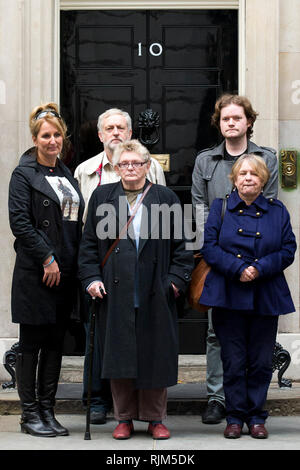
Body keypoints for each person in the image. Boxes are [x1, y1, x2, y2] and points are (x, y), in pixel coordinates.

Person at [78, 139, 193, 440]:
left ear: (147, 166)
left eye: (137, 163)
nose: (131, 168)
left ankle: (155, 418)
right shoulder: (103, 196)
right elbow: (89, 245)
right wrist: (91, 279)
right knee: (121, 355)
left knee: (155, 354)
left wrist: (174, 282)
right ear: (116, 168)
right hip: (115, 292)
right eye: (124, 163)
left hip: (155, 290)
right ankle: (124, 418)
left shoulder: (165, 197)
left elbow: (181, 248)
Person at [74, 108, 166, 425]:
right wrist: (89, 275)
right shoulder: (87, 175)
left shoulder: (156, 181)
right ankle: (101, 403)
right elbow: (83, 233)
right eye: (109, 128)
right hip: (106, 275)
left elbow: (172, 237)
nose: (116, 133)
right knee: (105, 344)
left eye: (121, 128)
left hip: (148, 279)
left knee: (146, 346)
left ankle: (148, 416)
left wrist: (171, 281)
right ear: (100, 135)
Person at [191, 94, 279, 424]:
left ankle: (250, 403)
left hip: (256, 263)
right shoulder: (205, 161)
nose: (231, 123)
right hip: (218, 261)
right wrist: (215, 254)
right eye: (225, 118)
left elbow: (266, 210)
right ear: (219, 123)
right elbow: (199, 209)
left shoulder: (266, 158)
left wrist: (249, 263)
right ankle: (218, 396)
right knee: (217, 332)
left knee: (256, 334)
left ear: (248, 122)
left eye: (237, 118)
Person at [199, 153, 296, 438]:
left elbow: (288, 249)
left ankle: (256, 417)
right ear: (235, 179)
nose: (248, 178)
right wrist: (239, 268)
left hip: (265, 293)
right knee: (233, 359)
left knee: (261, 360)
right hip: (229, 293)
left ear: (263, 179)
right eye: (242, 174)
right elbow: (210, 248)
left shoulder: (278, 211)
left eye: (254, 174)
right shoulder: (220, 208)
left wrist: (259, 268)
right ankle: (234, 416)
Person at [8, 103, 85, 437]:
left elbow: (71, 224)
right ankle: (29, 415)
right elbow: (20, 223)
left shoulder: (66, 174)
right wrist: (47, 258)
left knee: (55, 343)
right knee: (32, 344)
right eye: (45, 136)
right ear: (35, 139)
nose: (51, 141)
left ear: (63, 138)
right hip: (37, 272)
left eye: (56, 135)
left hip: (64, 273)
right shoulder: (24, 174)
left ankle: (47, 411)